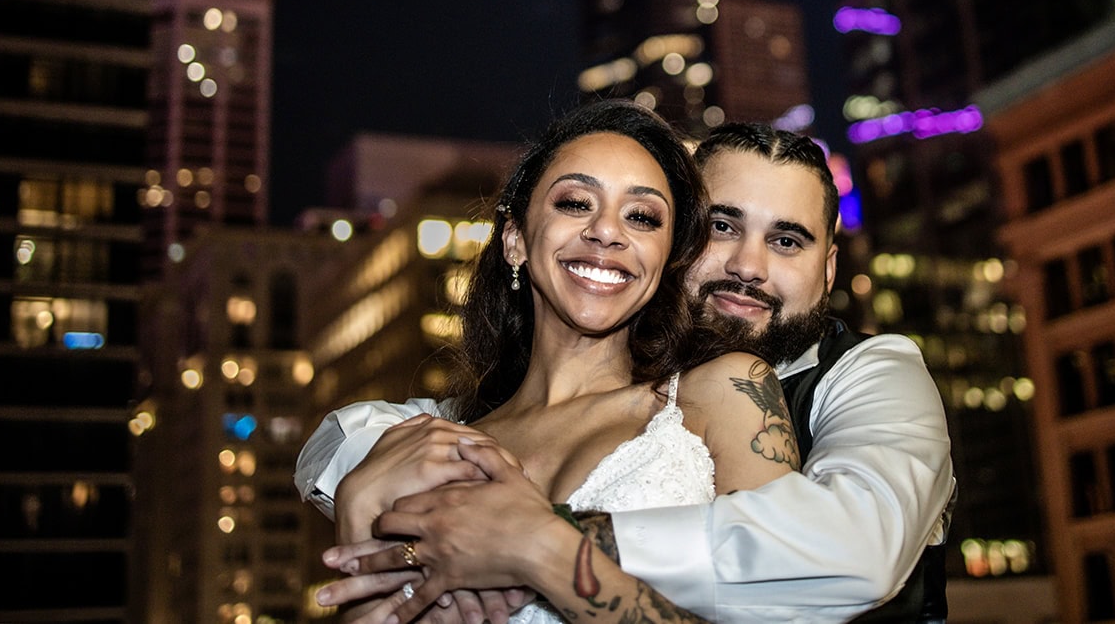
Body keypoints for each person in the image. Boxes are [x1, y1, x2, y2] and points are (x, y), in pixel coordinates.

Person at [299, 122, 956, 623]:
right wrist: (362, 472)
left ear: (831, 269)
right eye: (723, 225)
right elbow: (357, 434)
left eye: (787, 240)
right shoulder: (485, 417)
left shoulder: (866, 370)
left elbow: (860, 546)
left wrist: (533, 537)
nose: (749, 264)